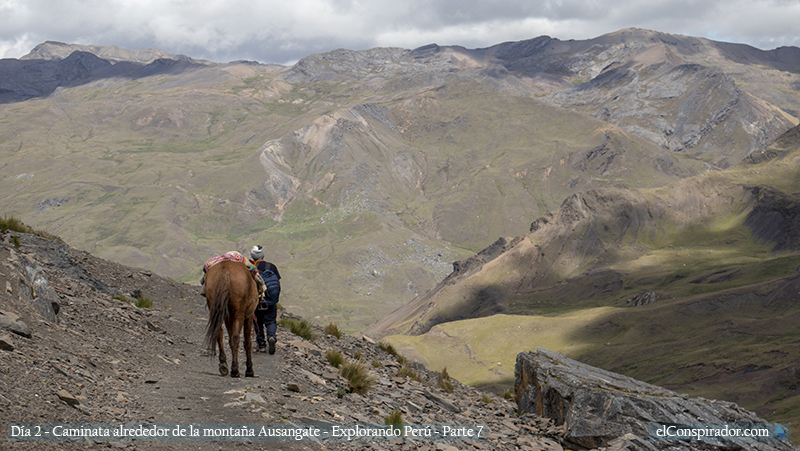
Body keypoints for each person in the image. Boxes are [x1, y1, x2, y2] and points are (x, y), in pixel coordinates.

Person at [249, 245, 281, 354]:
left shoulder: (250, 268)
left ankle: (261, 346)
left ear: (252, 257)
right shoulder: (271, 266)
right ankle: (271, 337)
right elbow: (278, 283)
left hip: (257, 302)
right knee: (271, 321)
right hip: (270, 301)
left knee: (257, 323)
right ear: (263, 256)